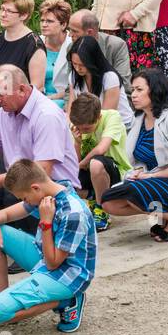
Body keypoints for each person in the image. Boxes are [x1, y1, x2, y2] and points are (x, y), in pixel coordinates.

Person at [0, 159, 95, 333]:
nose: (26, 202)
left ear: (35, 188)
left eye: (24, 198)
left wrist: (46, 223)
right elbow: (4, 214)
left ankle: (67, 300)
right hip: (45, 259)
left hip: (67, 276)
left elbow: (53, 264)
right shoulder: (46, 195)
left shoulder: (73, 212)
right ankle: (3, 297)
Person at [0, 65, 81, 240]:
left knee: (11, 195)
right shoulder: (4, 112)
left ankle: (33, 239)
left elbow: (42, 171)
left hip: (54, 187)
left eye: (0, 95)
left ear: (22, 90)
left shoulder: (46, 115)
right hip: (19, 182)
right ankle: (15, 234)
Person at [102, 68, 168, 240]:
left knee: (132, 191)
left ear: (155, 90)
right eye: (133, 90)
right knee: (108, 201)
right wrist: (140, 172)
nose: (133, 95)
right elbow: (140, 160)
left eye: (139, 90)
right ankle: (160, 217)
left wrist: (151, 176)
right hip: (157, 178)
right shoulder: (139, 119)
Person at [0, 0, 45, 121]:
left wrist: (13, 114)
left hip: (20, 114)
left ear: (24, 15)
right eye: (2, 9)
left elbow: (36, 87)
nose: (3, 14)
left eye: (9, 11)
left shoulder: (33, 44)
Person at [70, 92, 129, 232]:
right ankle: (93, 196)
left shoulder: (112, 116)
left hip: (114, 172)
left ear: (99, 117)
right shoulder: (77, 126)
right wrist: (77, 143)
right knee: (62, 179)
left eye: (86, 129)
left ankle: (101, 208)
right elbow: (74, 162)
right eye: (79, 128)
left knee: (96, 163)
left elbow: (101, 149)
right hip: (89, 171)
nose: (82, 131)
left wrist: (80, 165)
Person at [67, 36, 135, 130]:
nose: (78, 69)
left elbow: (107, 116)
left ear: (92, 61)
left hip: (121, 126)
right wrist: (71, 126)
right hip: (88, 126)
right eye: (74, 64)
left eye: (82, 65)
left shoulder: (110, 78)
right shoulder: (73, 76)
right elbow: (71, 107)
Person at [67, 9, 132, 92]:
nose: (70, 35)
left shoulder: (116, 46)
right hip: (83, 100)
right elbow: (70, 87)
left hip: (114, 98)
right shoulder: (72, 48)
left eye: (74, 31)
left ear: (89, 32)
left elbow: (124, 84)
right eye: (70, 30)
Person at [39, 0, 72, 108]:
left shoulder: (73, 44)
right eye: (42, 20)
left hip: (65, 99)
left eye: (49, 21)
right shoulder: (36, 43)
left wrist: (50, 99)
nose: (44, 24)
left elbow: (77, 84)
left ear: (63, 24)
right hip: (39, 97)